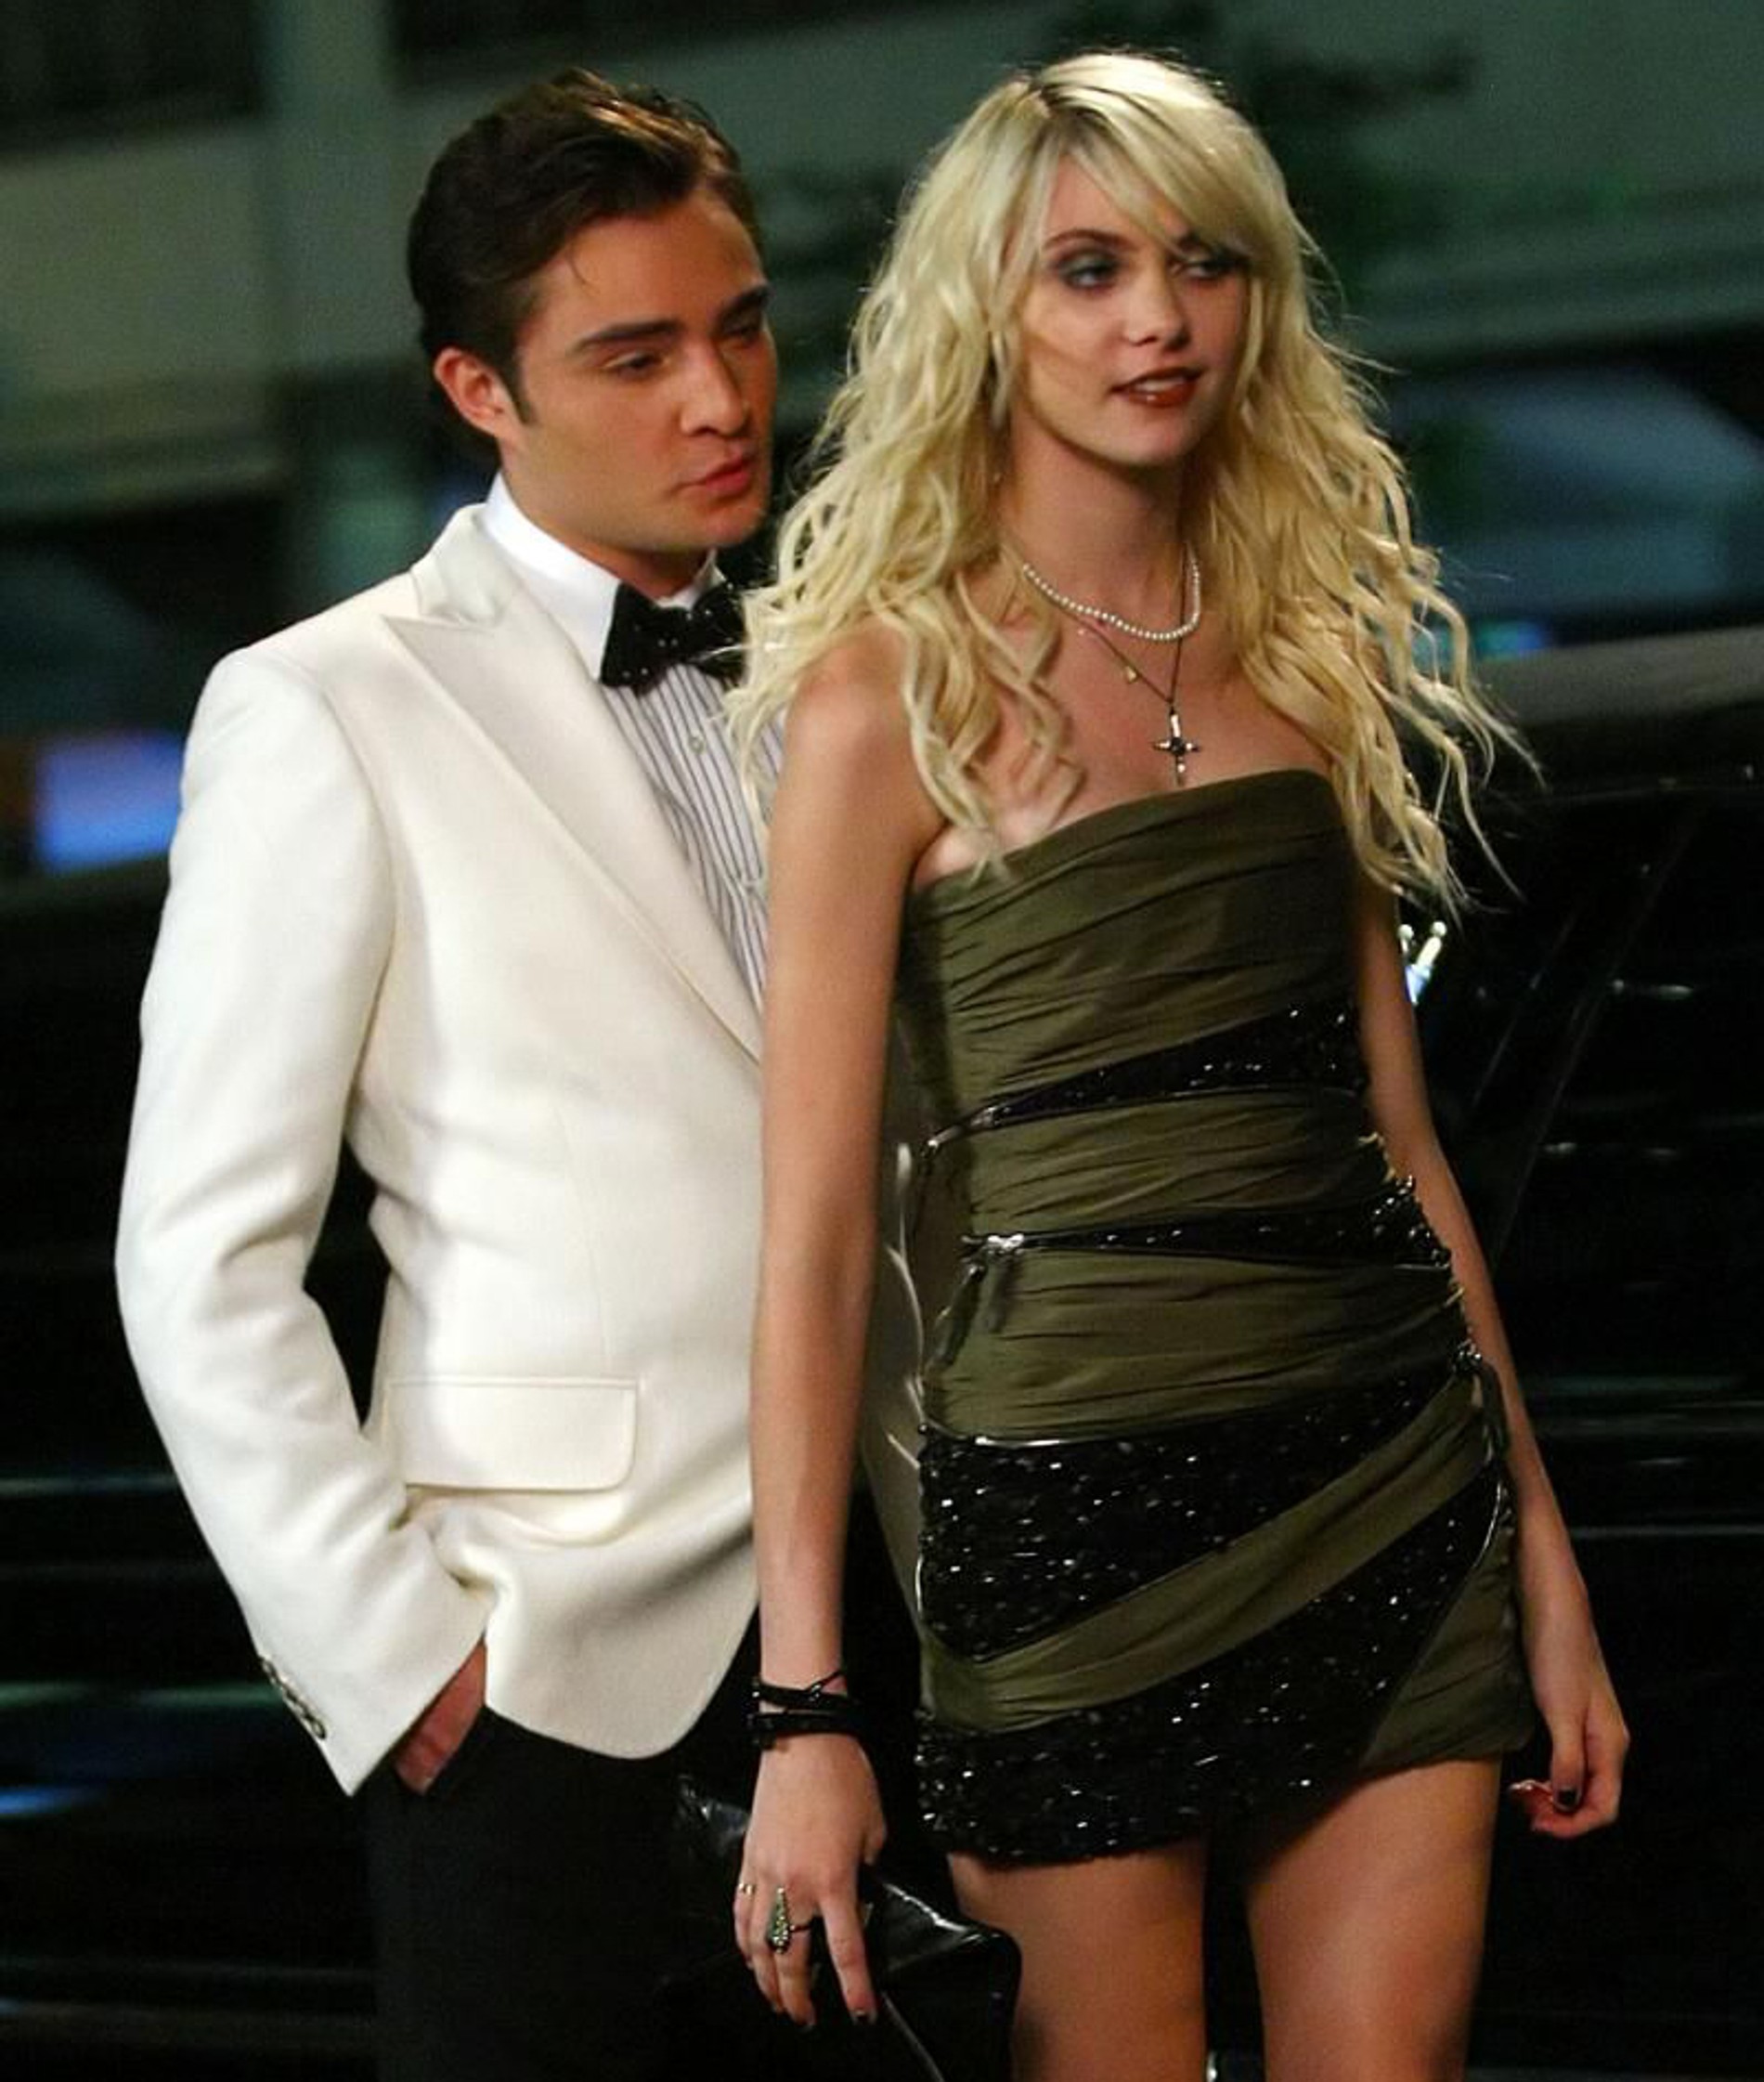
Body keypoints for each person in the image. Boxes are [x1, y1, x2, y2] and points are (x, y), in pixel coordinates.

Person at [728, 50, 1628, 2082]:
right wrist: (805, 1709)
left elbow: (1399, 1150)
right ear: (989, 310)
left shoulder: (1306, 661)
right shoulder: (884, 698)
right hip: (1069, 1513)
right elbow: (811, 1242)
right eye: (1089, 269)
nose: (1159, 318)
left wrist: (1540, 1562)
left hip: (1390, 1478)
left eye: (1203, 264)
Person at [116, 68, 917, 2082]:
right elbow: (198, 1255)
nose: (719, 399)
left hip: (911, 1592)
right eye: (635, 357)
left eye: (741, 327)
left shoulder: (854, 672)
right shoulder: (326, 703)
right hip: (550, 1669)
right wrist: (398, 1664)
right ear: (479, 389)